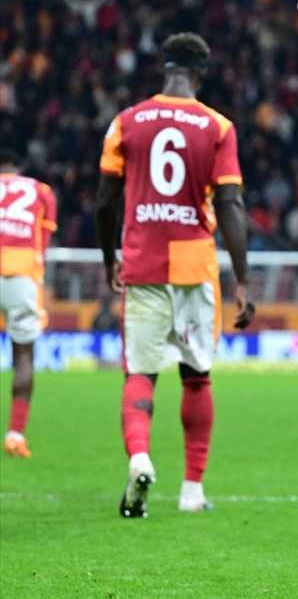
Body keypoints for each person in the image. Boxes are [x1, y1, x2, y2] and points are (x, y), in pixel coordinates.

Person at [95, 32, 255, 518]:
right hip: (194, 265)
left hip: (142, 261)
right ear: (201, 73)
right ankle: (192, 491)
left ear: (165, 69)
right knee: (196, 376)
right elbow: (230, 203)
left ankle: (140, 458)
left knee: (140, 373)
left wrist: (110, 259)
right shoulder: (218, 126)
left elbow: (104, 202)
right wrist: (242, 280)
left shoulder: (126, 121)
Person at [0, 148, 58, 458]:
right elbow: (44, 242)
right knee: (23, 354)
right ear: (19, 169)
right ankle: (15, 436)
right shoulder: (41, 191)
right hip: (21, 273)